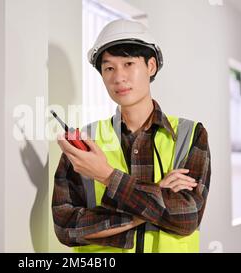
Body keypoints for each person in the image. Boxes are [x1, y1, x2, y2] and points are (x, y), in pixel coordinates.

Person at [52, 19, 211, 253]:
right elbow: (67, 227)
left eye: (128, 63)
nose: (119, 77)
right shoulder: (85, 142)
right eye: (109, 68)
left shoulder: (190, 134)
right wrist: (155, 197)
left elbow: (187, 217)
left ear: (151, 66)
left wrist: (106, 176)